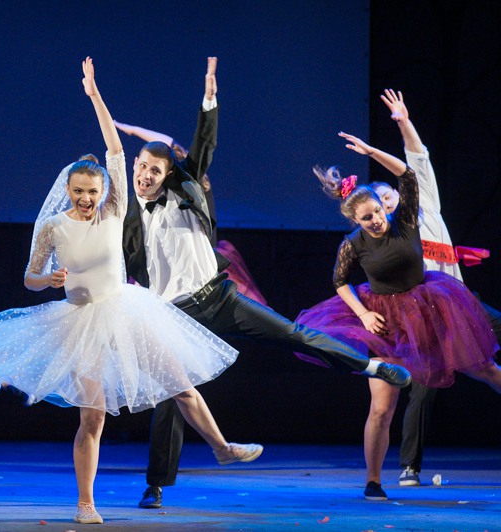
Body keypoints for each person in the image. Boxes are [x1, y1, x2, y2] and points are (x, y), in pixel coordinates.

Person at [0, 57, 259, 525]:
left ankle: (222, 448)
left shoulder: (114, 211)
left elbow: (115, 147)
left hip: (127, 310)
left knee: (181, 385)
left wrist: (95, 95)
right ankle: (85, 503)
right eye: (79, 191)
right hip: (82, 324)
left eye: (93, 191)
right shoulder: (54, 228)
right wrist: (48, 280)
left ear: (103, 191)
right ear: (68, 189)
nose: (86, 198)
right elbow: (29, 277)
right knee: (92, 418)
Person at [122, 58, 412, 510]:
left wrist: (209, 99)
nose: (145, 175)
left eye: (155, 170)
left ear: (170, 175)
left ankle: (371, 367)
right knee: (171, 397)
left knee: (292, 333)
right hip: (174, 315)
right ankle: (156, 485)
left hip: (219, 297)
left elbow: (200, 145)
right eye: (141, 167)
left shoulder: (189, 193)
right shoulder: (128, 215)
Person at [297, 131, 501, 501]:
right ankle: (373, 482)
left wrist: (371, 151)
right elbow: (339, 282)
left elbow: (407, 174)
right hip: (385, 323)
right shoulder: (353, 244)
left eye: (377, 212)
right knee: (381, 408)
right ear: (354, 220)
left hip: (430, 308)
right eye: (366, 218)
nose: (376, 220)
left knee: (485, 368)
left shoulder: (404, 218)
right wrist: (362, 314)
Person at [371, 89, 501, 488]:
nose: (387, 203)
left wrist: (404, 122)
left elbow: (418, 159)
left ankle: (409, 466)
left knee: (488, 369)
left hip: (461, 302)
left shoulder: (426, 204)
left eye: (389, 196)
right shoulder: (391, 238)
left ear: (399, 194)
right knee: (423, 387)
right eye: (379, 204)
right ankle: (408, 467)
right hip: (424, 318)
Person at [113, 119, 267, 305]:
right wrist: (133, 130)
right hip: (169, 263)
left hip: (200, 265)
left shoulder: (193, 186)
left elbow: (175, 147)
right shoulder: (164, 195)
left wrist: (133, 130)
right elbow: (171, 145)